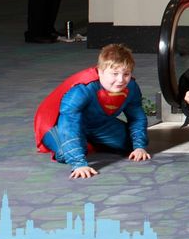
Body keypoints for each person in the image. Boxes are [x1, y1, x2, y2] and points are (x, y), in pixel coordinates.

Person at [34, 44, 150, 179]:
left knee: (129, 144)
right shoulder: (82, 89)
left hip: (96, 121)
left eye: (126, 74)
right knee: (65, 154)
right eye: (114, 74)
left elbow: (137, 117)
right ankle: (80, 142)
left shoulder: (131, 87)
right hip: (56, 121)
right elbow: (69, 124)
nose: (120, 80)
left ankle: (87, 139)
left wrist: (139, 146)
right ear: (100, 71)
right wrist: (79, 163)